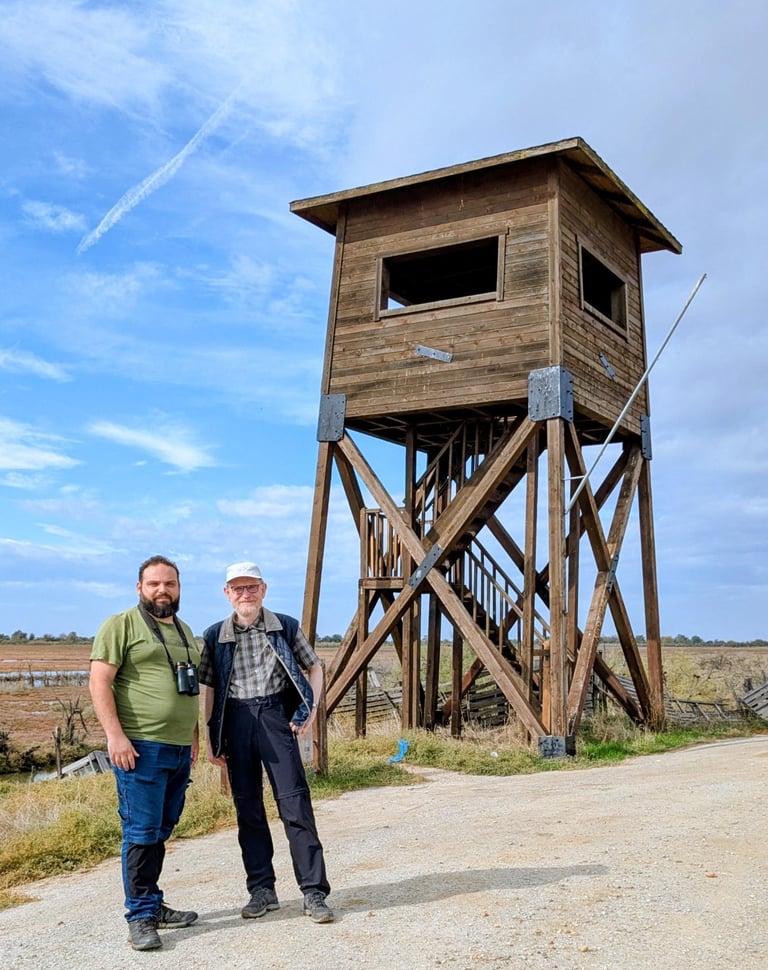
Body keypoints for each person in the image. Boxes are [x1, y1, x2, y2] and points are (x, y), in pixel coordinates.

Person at [200, 561, 333, 924]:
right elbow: (208, 688)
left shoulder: (284, 626)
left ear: (263, 589)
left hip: (275, 717)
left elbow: (315, 666)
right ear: (227, 594)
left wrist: (311, 708)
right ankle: (262, 890)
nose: (245, 594)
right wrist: (210, 735)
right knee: (248, 811)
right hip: (236, 721)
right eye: (238, 588)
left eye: (251, 587)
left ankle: (314, 891)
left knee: (295, 805)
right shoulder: (214, 636)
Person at [89, 555, 200, 952]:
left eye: (169, 583)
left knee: (161, 830)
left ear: (179, 587)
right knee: (140, 832)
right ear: (140, 588)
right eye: (154, 584)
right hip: (139, 747)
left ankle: (153, 904)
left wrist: (193, 736)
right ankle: (139, 917)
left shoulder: (184, 631)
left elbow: (188, 688)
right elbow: (99, 682)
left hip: (178, 748)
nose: (162, 590)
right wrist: (114, 736)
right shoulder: (120, 625)